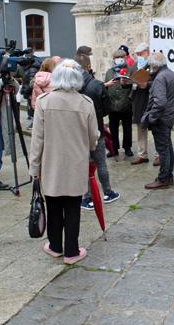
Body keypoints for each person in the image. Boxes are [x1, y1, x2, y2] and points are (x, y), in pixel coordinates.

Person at [29, 59, 100, 265]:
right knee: (72, 206)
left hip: (51, 163)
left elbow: (37, 139)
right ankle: (71, 250)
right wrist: (89, 146)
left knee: (53, 204)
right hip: (76, 162)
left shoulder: (44, 101)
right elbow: (93, 136)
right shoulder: (85, 103)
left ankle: (55, 246)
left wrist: (34, 168)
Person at [75, 54, 120, 210]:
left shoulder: (72, 87)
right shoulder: (97, 85)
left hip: (79, 131)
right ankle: (107, 192)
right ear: (88, 67)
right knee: (101, 162)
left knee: (84, 164)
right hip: (96, 128)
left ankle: (87, 198)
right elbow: (107, 108)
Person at [141, 52, 174, 189]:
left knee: (163, 150)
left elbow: (160, 102)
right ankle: (168, 177)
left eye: (150, 65)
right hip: (168, 117)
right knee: (168, 148)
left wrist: (152, 118)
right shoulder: (170, 74)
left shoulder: (160, 78)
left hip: (161, 119)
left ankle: (163, 179)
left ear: (154, 65)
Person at [104, 49, 134, 158]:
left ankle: (127, 148)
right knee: (113, 128)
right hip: (113, 105)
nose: (119, 60)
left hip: (126, 104)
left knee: (127, 128)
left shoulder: (130, 70)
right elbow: (106, 87)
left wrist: (129, 98)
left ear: (125, 58)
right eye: (117, 58)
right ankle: (113, 148)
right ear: (113, 59)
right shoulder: (109, 72)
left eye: (121, 57)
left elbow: (133, 87)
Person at [130, 43, 156, 165]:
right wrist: (126, 81)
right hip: (138, 99)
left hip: (150, 99)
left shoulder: (154, 64)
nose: (139, 56)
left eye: (141, 54)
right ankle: (142, 154)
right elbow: (131, 78)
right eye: (137, 54)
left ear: (147, 52)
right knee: (140, 128)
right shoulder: (135, 65)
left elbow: (158, 81)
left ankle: (159, 155)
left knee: (155, 128)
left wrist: (147, 84)